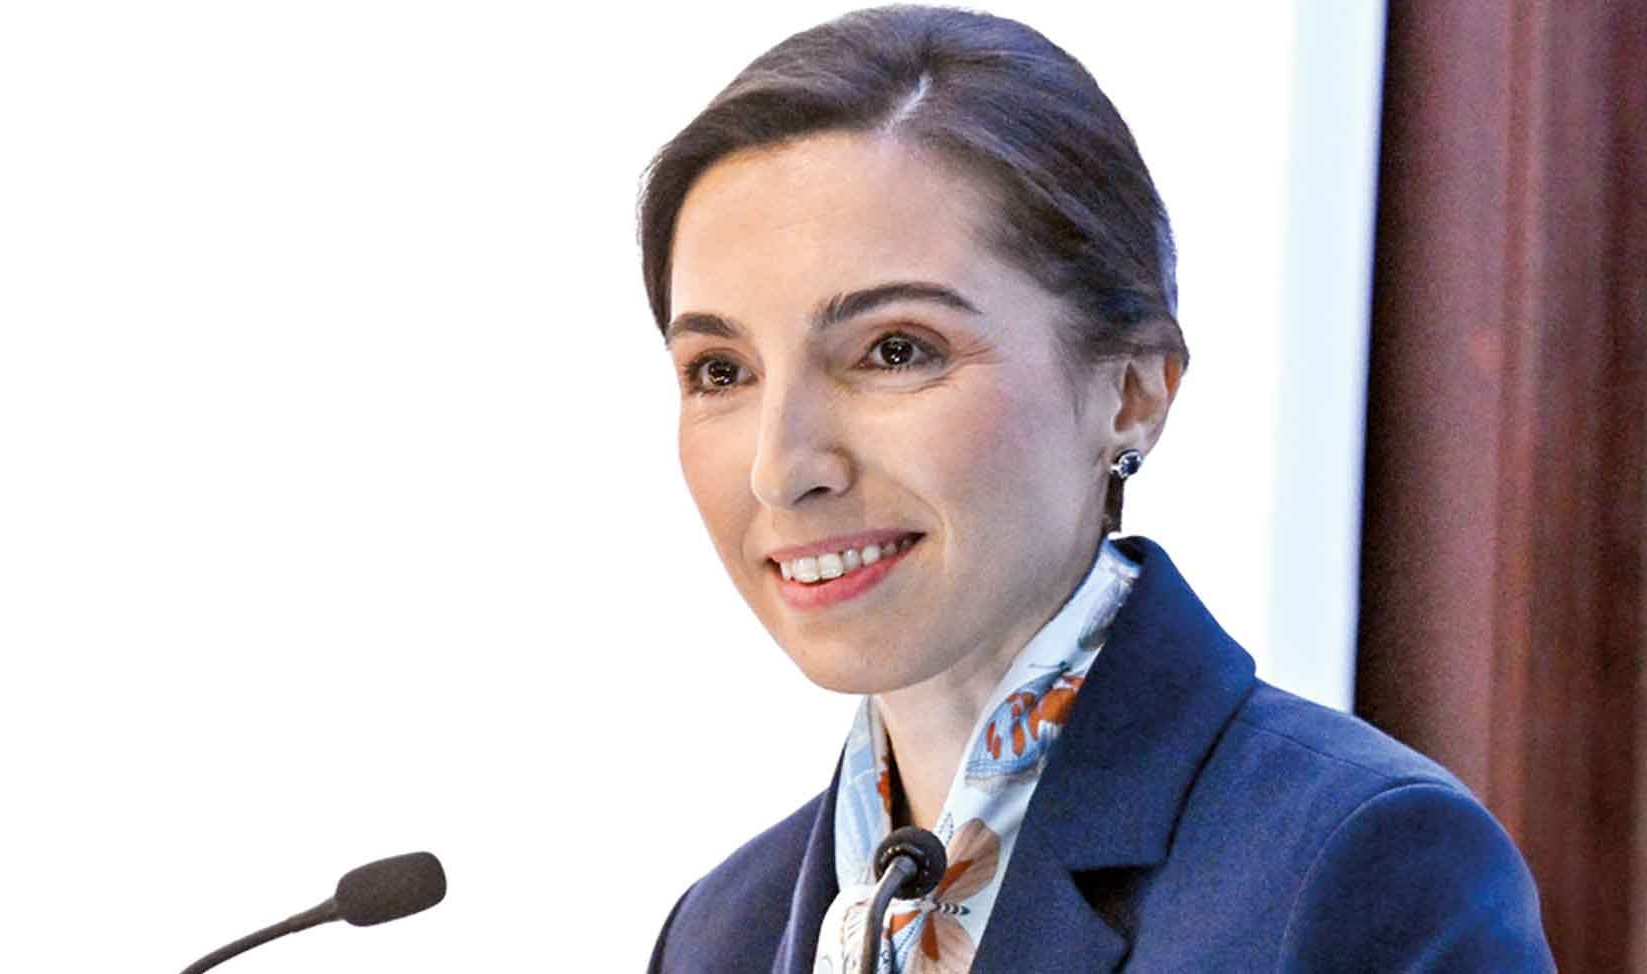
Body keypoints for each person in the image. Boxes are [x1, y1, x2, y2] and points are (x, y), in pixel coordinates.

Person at [636, 7, 1552, 972]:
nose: (782, 469)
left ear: (1134, 390)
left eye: (895, 350)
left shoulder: (1364, 868)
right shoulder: (718, 934)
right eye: (720, 372)